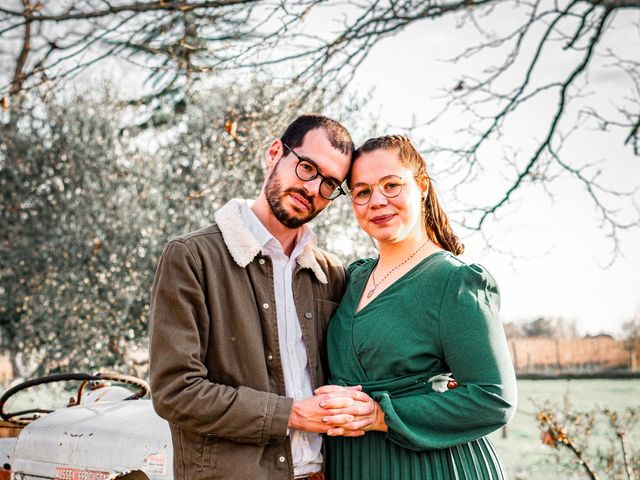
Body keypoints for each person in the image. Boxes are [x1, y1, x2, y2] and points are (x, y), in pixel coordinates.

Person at [149, 115, 373, 480]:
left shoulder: (331, 274)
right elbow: (176, 391)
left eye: (330, 183)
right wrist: (291, 414)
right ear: (274, 153)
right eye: (306, 168)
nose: (313, 188)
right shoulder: (192, 257)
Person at [318, 135, 518, 479]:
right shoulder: (351, 278)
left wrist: (380, 415)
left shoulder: (454, 281)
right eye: (362, 192)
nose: (377, 200)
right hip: (354, 465)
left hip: (432, 466)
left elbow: (494, 398)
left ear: (421, 187)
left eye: (391, 185)